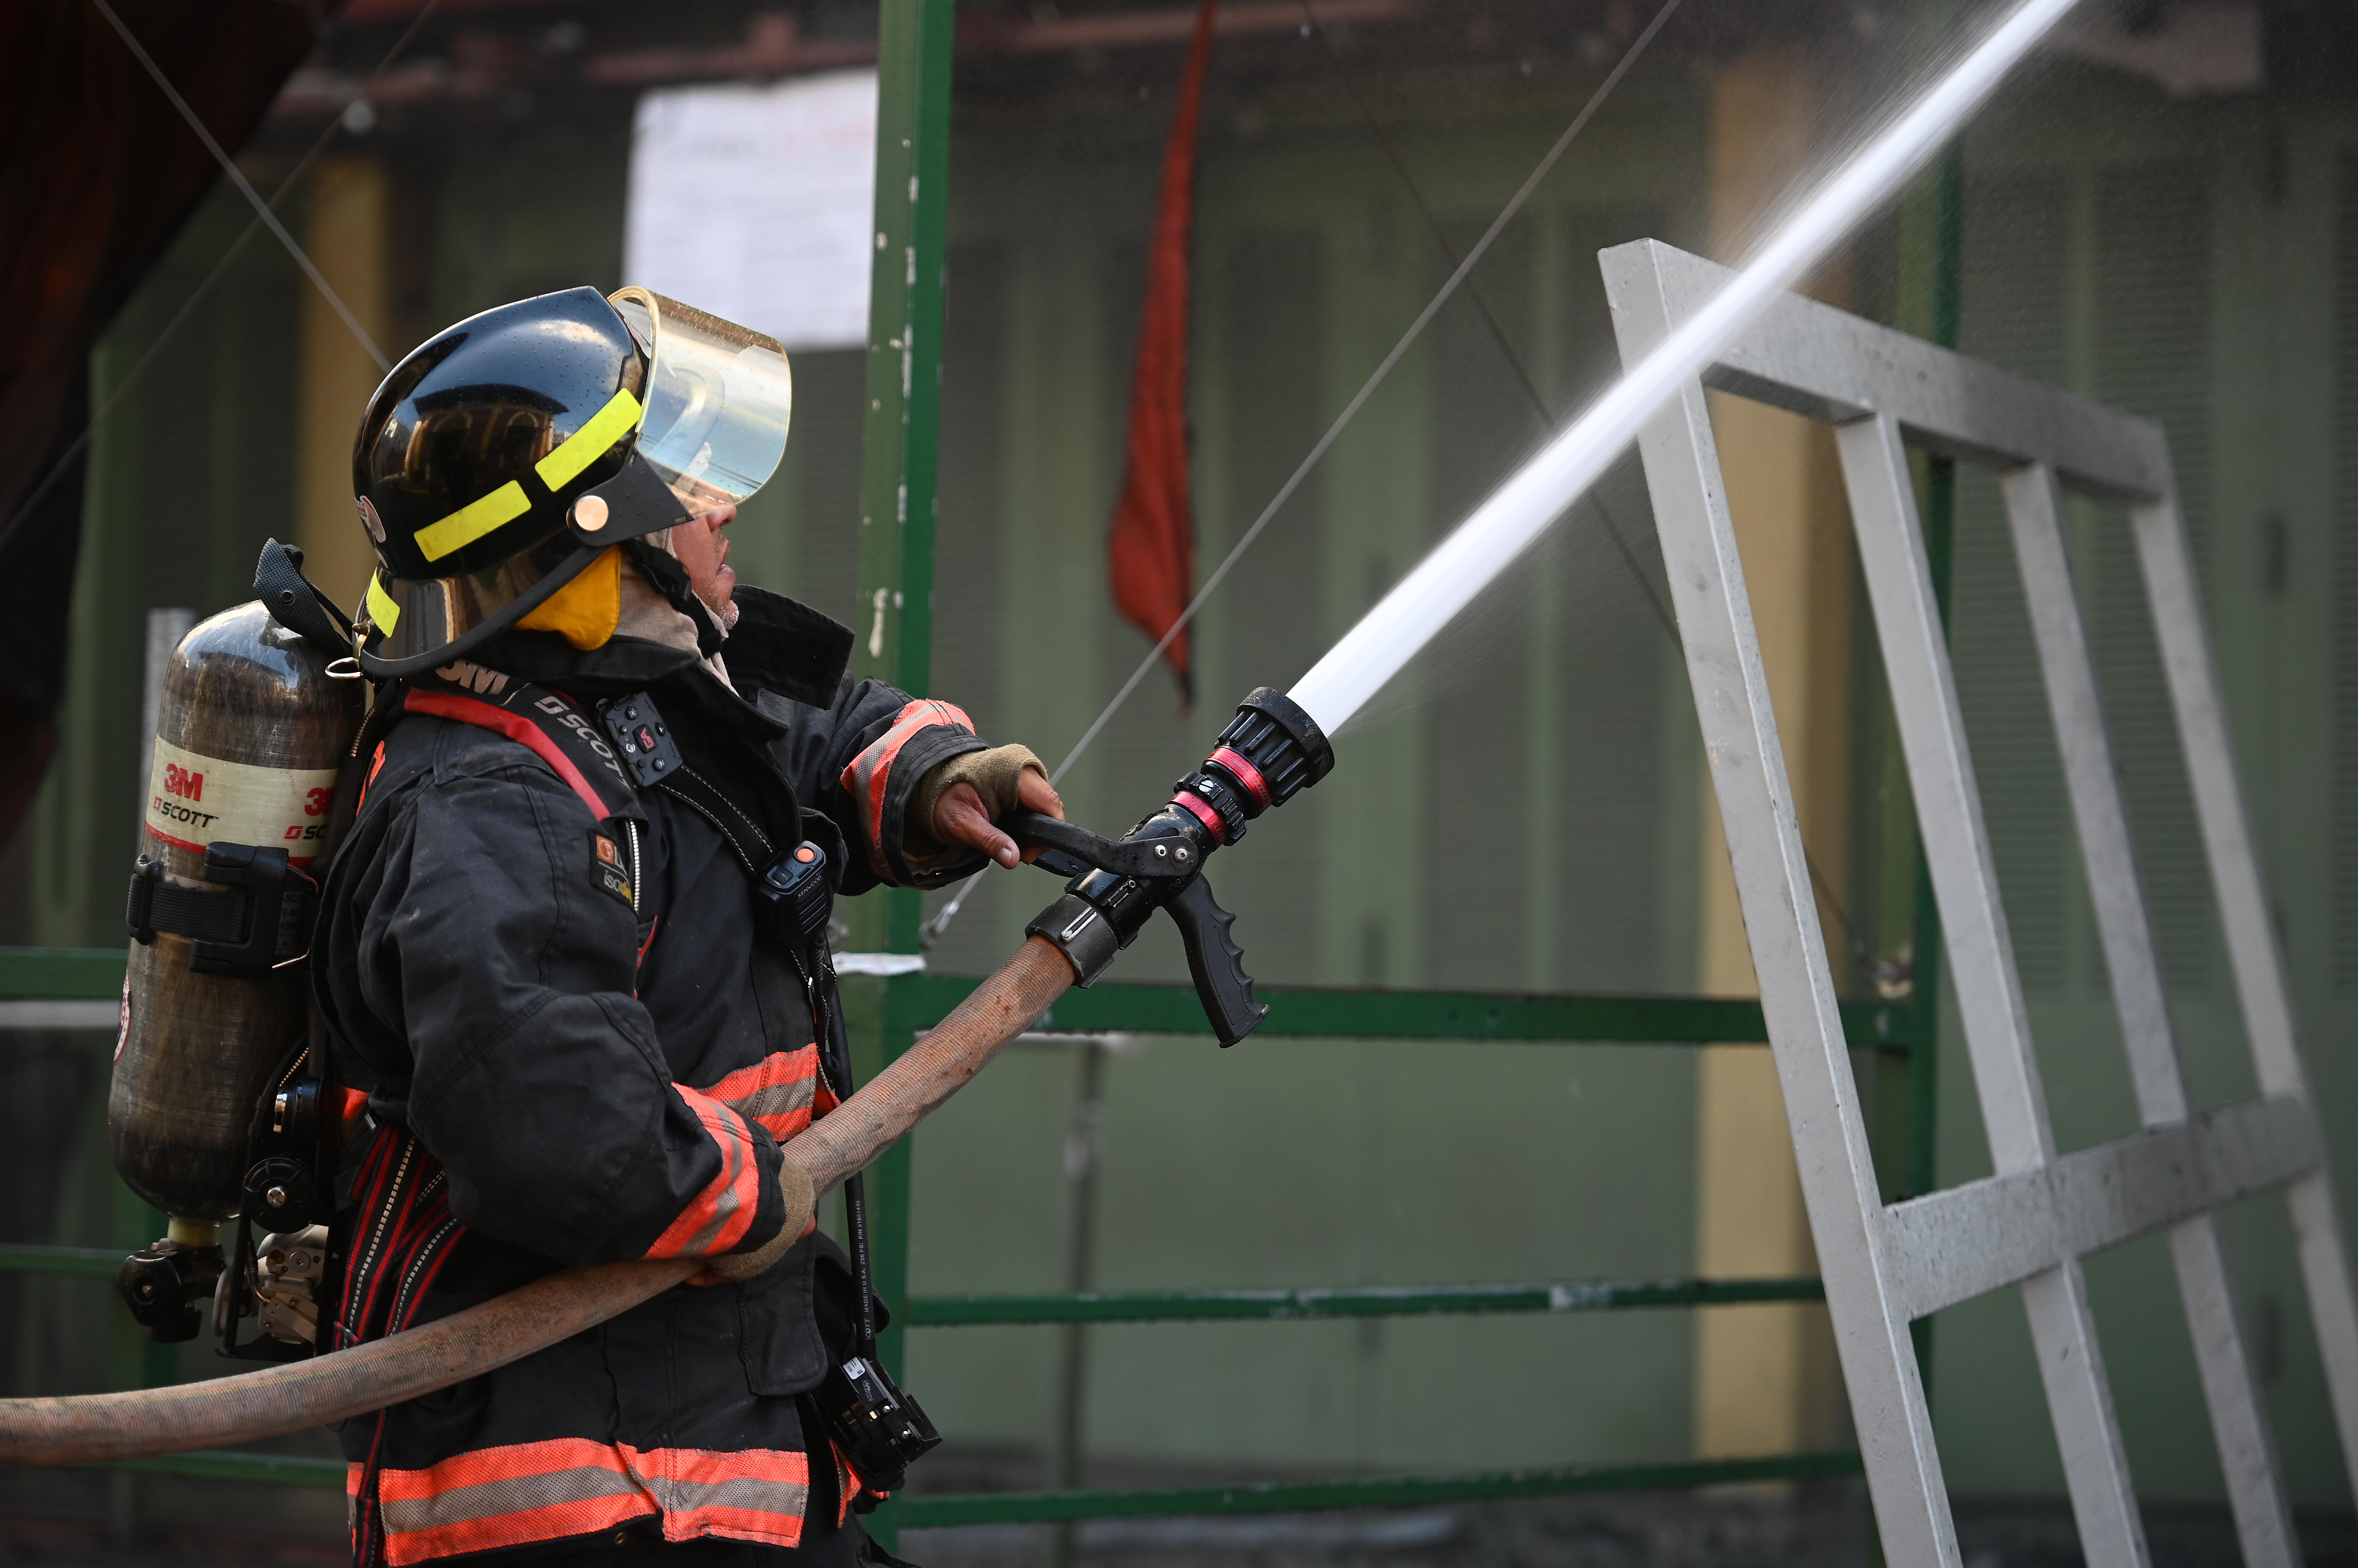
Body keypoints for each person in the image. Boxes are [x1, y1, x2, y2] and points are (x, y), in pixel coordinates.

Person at [313, 287, 1060, 1566]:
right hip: (584, 1484)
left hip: (704, 1426)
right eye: (675, 485)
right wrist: (753, 1189)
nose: (716, 510)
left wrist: (932, 778)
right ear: (591, 544)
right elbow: (557, 1130)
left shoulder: (622, 705)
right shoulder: (503, 806)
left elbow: (792, 739)